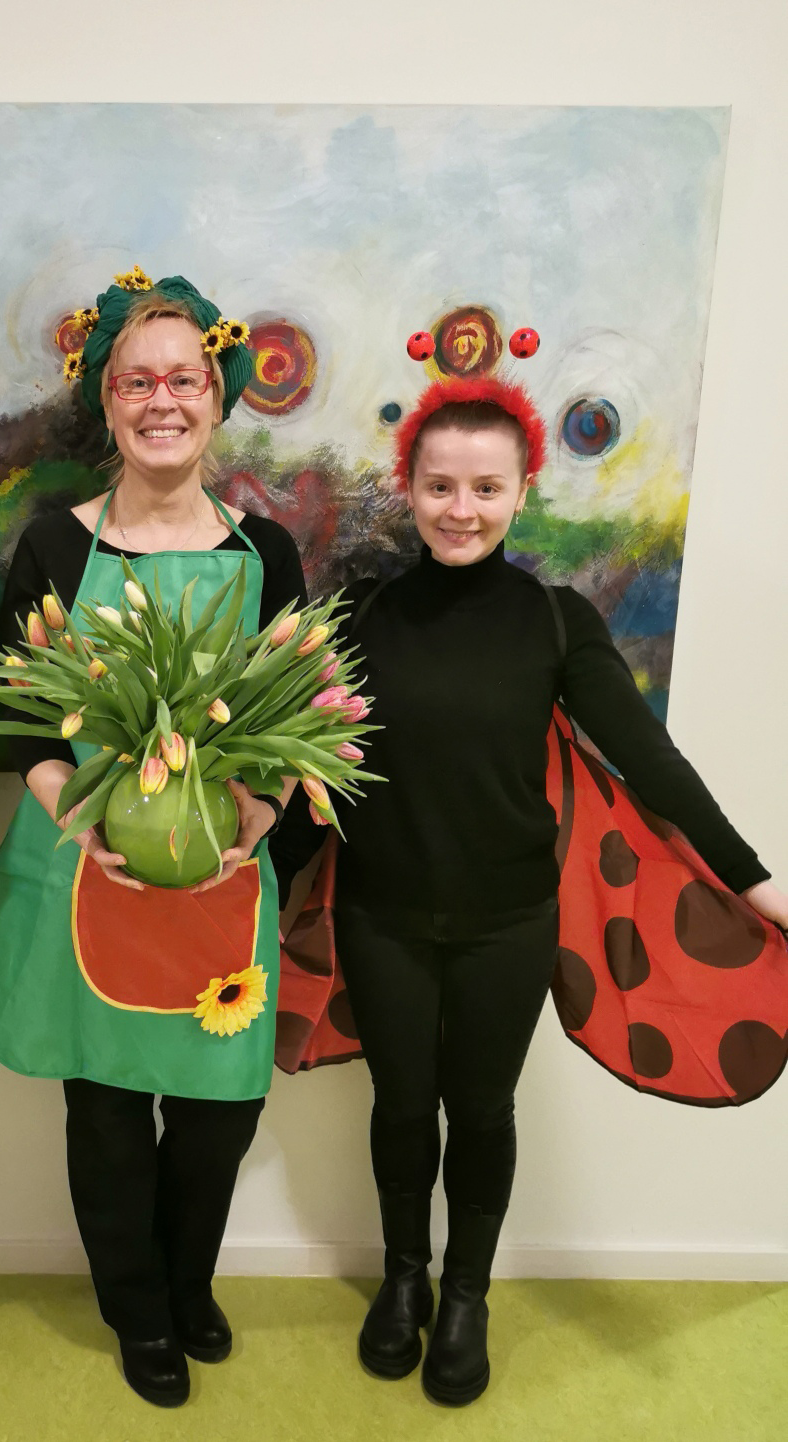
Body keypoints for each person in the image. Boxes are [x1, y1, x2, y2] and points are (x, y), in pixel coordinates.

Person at [269, 373, 788, 1407]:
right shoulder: (356, 614)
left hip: (508, 922)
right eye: (441, 485)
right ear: (408, 486)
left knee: (481, 1107)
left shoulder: (554, 622)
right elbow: (288, 766)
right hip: (380, 914)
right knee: (401, 1106)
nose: (462, 508)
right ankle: (404, 1280)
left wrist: (755, 878)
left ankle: (467, 1295)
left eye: (485, 488)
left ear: (519, 490)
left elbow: (651, 760)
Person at [0, 270, 307, 1407]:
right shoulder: (54, 551)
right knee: (107, 1101)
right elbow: (24, 719)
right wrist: (76, 806)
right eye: (135, 381)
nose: (160, 399)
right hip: (90, 873)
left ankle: (184, 1273)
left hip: (222, 876)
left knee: (220, 1102)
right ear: (105, 400)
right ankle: (137, 1306)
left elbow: (294, 724)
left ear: (216, 399)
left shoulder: (269, 554)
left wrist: (257, 809)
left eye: (182, 379)